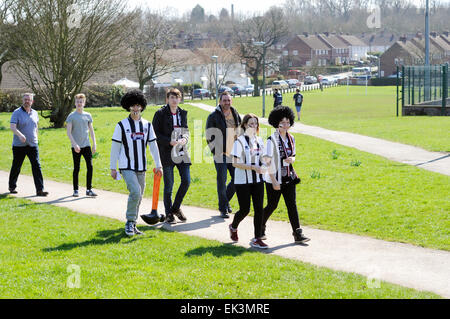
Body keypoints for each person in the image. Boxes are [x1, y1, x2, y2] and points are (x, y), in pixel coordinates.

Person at [110, 89, 162, 236]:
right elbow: (115, 148)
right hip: (126, 166)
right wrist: (113, 168)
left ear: (142, 106)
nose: (135, 108)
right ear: (128, 106)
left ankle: (133, 224)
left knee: (139, 195)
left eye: (138, 105)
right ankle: (129, 221)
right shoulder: (121, 125)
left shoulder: (147, 125)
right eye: (133, 106)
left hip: (141, 166)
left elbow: (153, 146)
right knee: (135, 192)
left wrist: (158, 165)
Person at [261, 106, 310, 244]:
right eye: (282, 122)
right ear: (276, 123)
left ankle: (297, 233)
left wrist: (292, 159)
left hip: (289, 177)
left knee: (292, 205)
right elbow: (267, 161)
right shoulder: (271, 140)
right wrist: (274, 181)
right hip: (274, 179)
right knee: (272, 205)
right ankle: (260, 225)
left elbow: (293, 155)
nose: (286, 125)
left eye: (288, 122)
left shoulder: (291, 138)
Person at [229, 114, 268, 249]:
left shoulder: (259, 140)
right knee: (245, 209)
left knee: (259, 209)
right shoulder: (239, 141)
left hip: (258, 180)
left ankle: (257, 238)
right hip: (242, 181)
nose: (253, 126)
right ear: (245, 125)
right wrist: (252, 167)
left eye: (255, 124)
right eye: (250, 123)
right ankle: (233, 226)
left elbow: (263, 158)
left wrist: (265, 165)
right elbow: (234, 163)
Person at [152, 88, 190, 224]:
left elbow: (186, 130)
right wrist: (169, 141)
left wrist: (185, 139)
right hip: (166, 153)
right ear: (167, 99)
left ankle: (176, 208)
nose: (174, 100)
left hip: (181, 151)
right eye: (172, 97)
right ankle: (169, 213)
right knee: (169, 185)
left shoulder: (182, 113)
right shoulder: (160, 113)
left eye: (177, 97)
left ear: (180, 99)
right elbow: (154, 134)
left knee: (186, 180)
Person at [205, 91, 242, 218]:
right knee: (222, 180)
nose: (227, 102)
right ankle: (223, 208)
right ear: (220, 101)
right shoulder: (213, 116)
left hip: (234, 153)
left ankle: (225, 202)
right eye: (224, 100)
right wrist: (216, 151)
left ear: (231, 101)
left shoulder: (235, 113)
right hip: (221, 153)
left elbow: (240, 130)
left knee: (237, 179)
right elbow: (209, 135)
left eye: (229, 100)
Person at [8, 93, 48, 196]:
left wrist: (36, 138)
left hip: (32, 145)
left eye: (29, 100)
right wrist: (20, 135)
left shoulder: (35, 113)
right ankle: (12, 187)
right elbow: (12, 127)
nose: (27, 101)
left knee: (36, 166)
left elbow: (36, 127)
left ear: (32, 101)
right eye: (25, 99)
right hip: (19, 145)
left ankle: (40, 190)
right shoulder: (16, 112)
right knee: (16, 166)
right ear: (22, 100)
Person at [66, 93, 97, 197]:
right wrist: (74, 145)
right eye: (78, 102)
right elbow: (69, 133)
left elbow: (91, 131)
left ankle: (89, 189)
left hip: (86, 145)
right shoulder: (71, 116)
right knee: (77, 168)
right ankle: (75, 190)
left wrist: (94, 144)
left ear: (84, 103)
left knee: (90, 167)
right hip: (76, 147)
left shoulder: (88, 115)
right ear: (75, 103)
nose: (79, 103)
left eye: (81, 102)